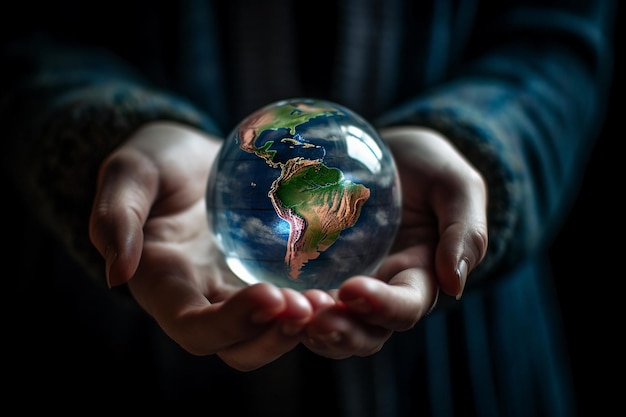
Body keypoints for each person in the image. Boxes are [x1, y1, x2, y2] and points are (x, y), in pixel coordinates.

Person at [1, 0, 615, 415]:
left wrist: (475, 139)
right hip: (119, 353)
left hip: (469, 366)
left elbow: (559, 33)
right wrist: (105, 132)